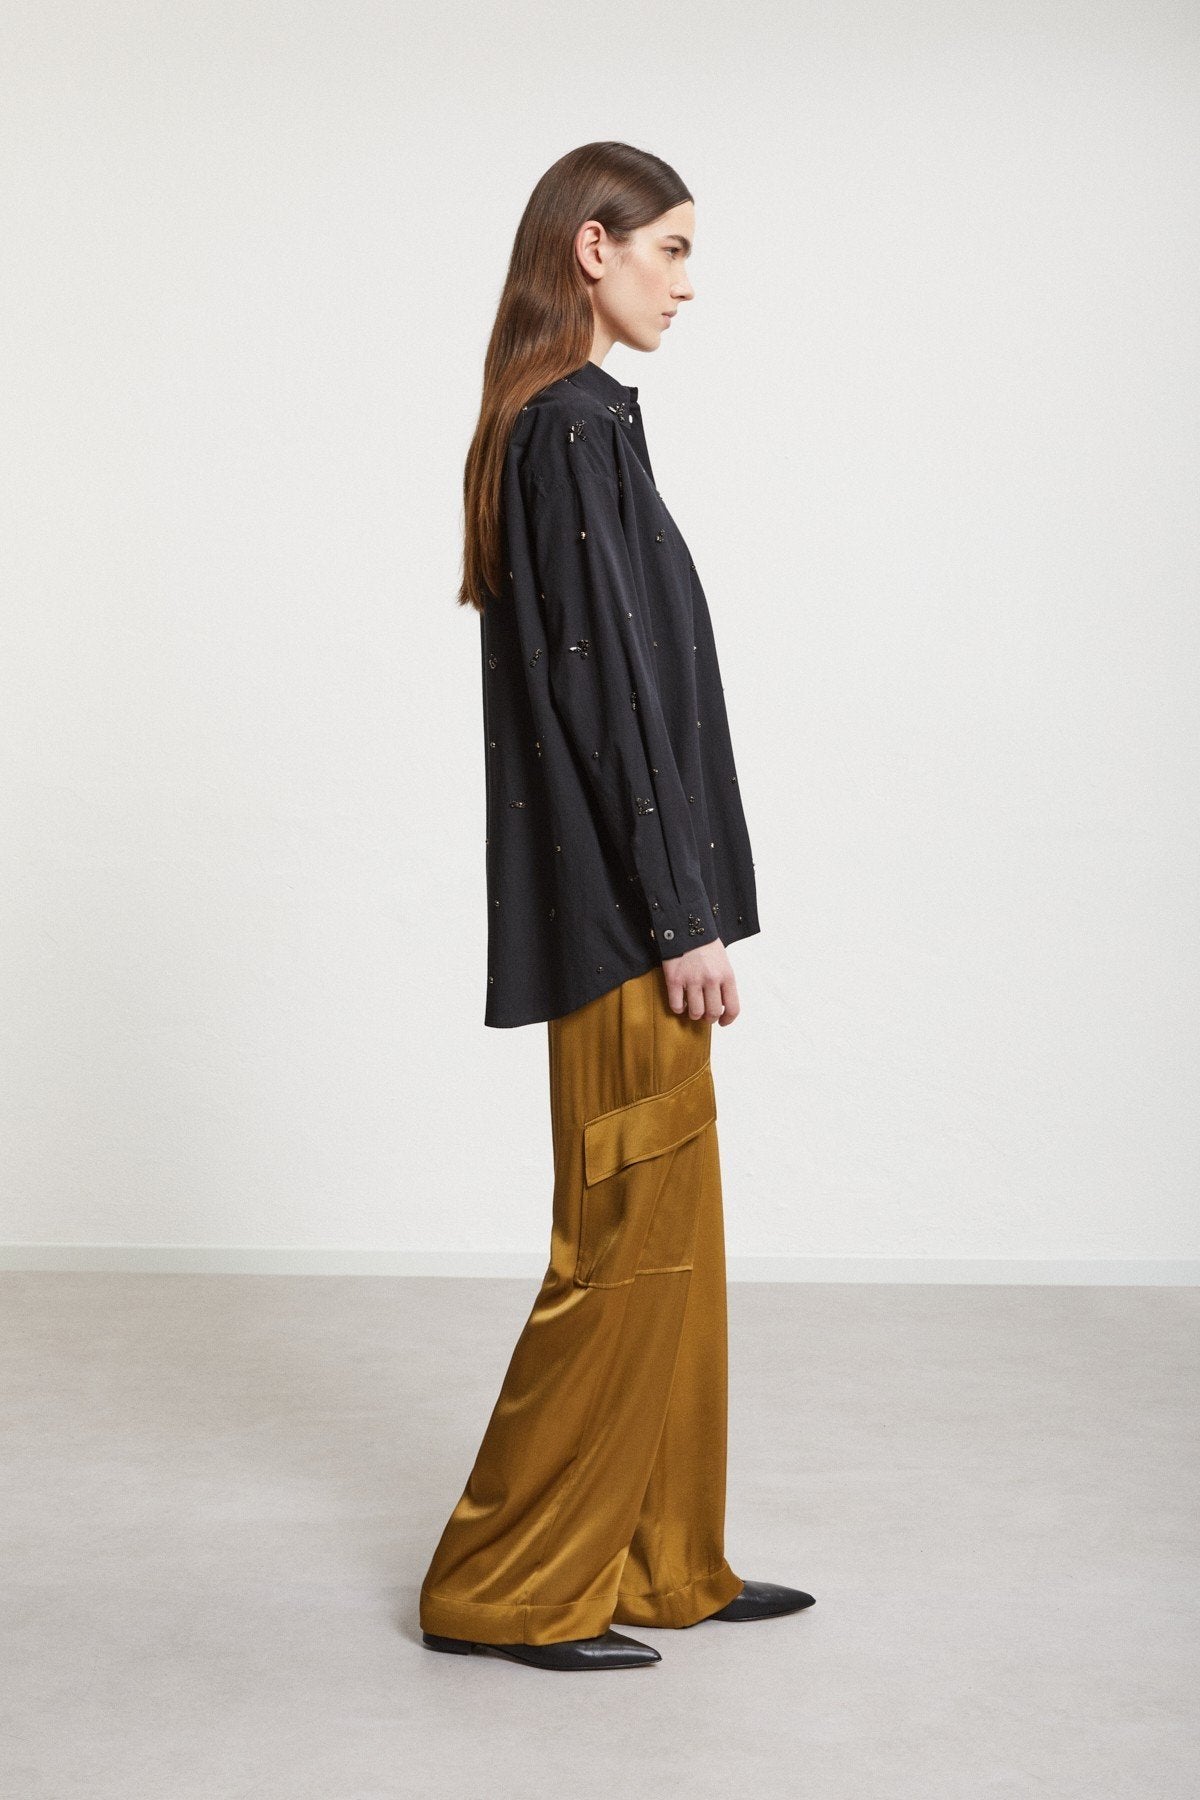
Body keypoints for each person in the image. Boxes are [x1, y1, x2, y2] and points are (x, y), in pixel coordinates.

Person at [418, 140, 815, 1671]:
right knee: (619, 1247)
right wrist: (681, 917)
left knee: (675, 1245)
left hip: (628, 916)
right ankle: (505, 1588)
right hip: (623, 931)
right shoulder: (567, 430)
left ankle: (661, 1561)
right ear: (594, 248)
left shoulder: (572, 425)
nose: (687, 283)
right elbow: (611, 705)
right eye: (672, 249)